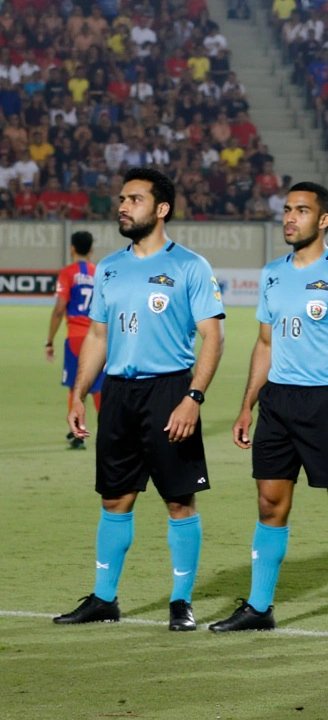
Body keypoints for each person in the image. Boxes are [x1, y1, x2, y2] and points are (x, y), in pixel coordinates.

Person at [209, 182, 328, 639]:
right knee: (269, 504)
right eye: (287, 210)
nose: (290, 218)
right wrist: (247, 405)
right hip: (278, 404)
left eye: (301, 211)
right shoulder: (271, 274)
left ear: (323, 220)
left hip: (327, 402)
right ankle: (260, 607)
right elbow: (265, 345)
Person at [57, 167, 226, 631]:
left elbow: (213, 337)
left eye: (134, 199)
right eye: (122, 199)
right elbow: (97, 335)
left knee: (179, 502)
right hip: (118, 393)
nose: (123, 206)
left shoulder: (190, 266)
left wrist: (194, 397)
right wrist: (78, 394)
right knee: (115, 499)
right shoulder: (109, 267)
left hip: (170, 390)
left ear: (161, 208)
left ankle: (180, 602)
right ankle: (104, 599)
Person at [47, 231, 106, 449]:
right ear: (91, 250)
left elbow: (59, 309)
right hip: (98, 337)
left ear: (72, 248)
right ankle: (109, 433)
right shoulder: (99, 273)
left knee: (76, 387)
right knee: (98, 387)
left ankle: (78, 433)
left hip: (75, 339)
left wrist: (49, 340)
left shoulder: (68, 273)